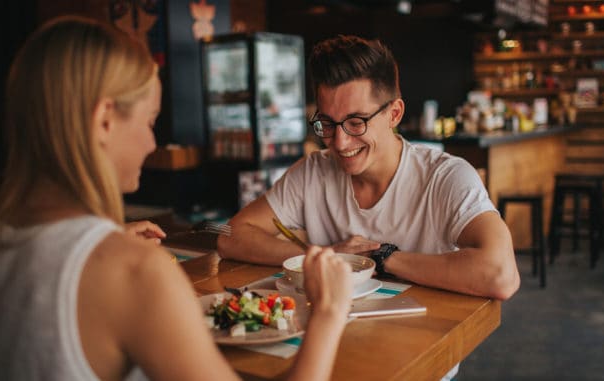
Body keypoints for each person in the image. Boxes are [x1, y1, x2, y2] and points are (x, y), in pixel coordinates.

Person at [0, 16, 353, 381]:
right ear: (104, 121)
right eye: (150, 121)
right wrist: (329, 312)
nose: (152, 142)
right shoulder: (137, 273)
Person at [218, 35, 520, 301]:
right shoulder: (313, 171)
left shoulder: (445, 177)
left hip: (420, 347)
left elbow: (501, 275)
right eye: (327, 123)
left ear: (394, 114)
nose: (339, 141)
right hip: (329, 340)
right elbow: (230, 235)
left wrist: (383, 258)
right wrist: (326, 256)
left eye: (355, 122)